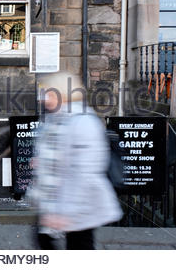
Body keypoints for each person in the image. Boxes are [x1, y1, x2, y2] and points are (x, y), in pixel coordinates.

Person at [28, 71, 122, 250]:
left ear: (62, 93)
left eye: (47, 92)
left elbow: (86, 172)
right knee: (44, 241)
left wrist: (67, 213)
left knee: (79, 246)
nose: (42, 98)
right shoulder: (54, 119)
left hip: (76, 206)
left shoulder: (84, 122)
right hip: (52, 201)